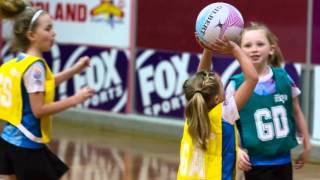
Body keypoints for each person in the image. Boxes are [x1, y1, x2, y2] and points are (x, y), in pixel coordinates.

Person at [198, 22, 311, 180]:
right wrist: (237, 150)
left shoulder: (284, 78)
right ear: (240, 50)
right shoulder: (235, 84)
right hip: (255, 163)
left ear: (271, 49)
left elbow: (297, 111)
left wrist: (306, 144)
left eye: (260, 44)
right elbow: (224, 123)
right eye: (248, 45)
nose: (254, 49)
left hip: (284, 161)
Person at [0, 0, 94, 179]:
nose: (53, 33)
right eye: (48, 29)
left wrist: (75, 69)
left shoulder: (19, 62)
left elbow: (41, 87)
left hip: (8, 141)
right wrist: (75, 99)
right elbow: (39, 110)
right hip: (26, 145)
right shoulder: (35, 67)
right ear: (31, 35)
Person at [177, 37, 258, 180]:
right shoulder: (225, 113)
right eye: (222, 87)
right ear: (217, 99)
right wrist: (235, 49)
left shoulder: (192, 111)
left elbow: (200, 78)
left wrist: (208, 47)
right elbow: (252, 78)